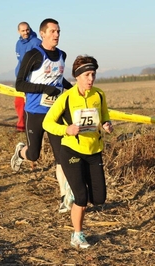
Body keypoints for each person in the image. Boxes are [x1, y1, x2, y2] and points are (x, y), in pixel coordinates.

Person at [43, 55, 114, 249]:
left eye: (93, 74)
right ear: (77, 76)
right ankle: (77, 234)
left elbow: (105, 117)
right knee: (82, 197)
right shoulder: (66, 97)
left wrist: (107, 125)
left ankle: (72, 195)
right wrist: (67, 129)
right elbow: (47, 123)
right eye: (87, 75)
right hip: (71, 150)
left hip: (94, 151)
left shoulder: (99, 95)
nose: (91, 79)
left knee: (99, 198)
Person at [10, 18, 73, 213]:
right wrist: (45, 89)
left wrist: (74, 91)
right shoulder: (33, 55)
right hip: (35, 111)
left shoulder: (62, 54)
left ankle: (64, 197)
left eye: (58, 31)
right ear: (43, 34)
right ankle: (21, 152)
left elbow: (59, 79)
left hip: (55, 113)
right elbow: (19, 84)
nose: (56, 35)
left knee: (61, 156)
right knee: (34, 154)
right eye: (52, 31)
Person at [14, 22, 42, 132]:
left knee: (30, 104)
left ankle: (29, 126)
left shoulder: (36, 42)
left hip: (31, 79)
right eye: (23, 31)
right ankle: (21, 125)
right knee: (18, 103)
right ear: (18, 31)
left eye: (27, 30)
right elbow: (20, 60)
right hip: (20, 78)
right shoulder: (18, 44)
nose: (26, 32)